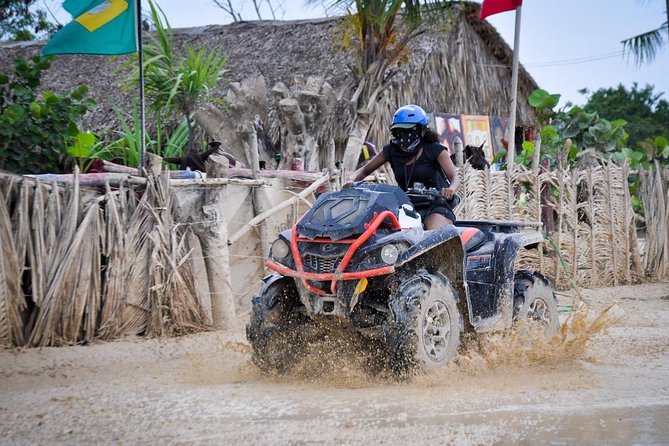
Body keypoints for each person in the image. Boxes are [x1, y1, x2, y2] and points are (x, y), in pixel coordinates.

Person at [346, 104, 460, 229]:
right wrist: (351, 180)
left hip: (437, 204)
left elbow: (454, 176)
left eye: (409, 130)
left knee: (433, 233)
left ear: (421, 130)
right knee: (381, 230)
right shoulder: (390, 150)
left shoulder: (435, 149)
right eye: (400, 131)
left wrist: (451, 189)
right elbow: (364, 170)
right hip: (405, 205)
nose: (405, 135)